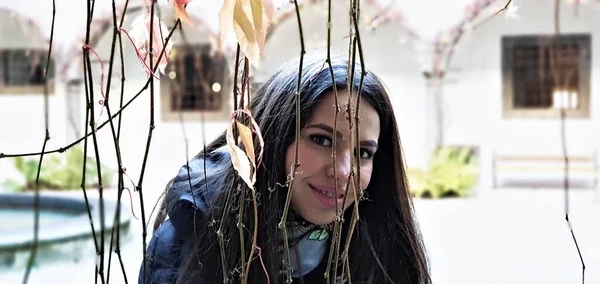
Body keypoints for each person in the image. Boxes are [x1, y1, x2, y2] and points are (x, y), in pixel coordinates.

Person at [139, 54, 431, 284]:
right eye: (322, 139)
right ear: (273, 138)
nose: (343, 172)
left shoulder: (379, 246)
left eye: (363, 153)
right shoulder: (192, 237)